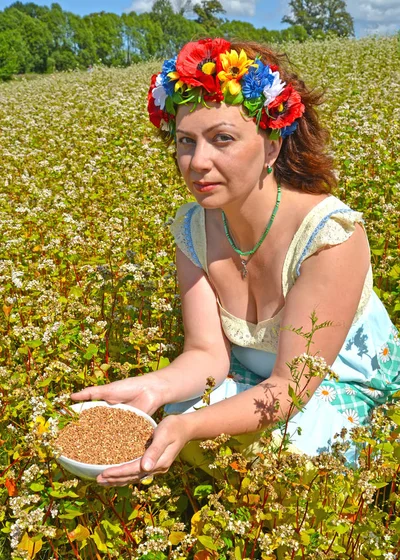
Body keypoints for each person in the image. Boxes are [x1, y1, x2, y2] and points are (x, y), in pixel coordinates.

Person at [71, 38, 400, 486]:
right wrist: (154, 388)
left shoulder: (329, 236)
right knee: (176, 408)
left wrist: (189, 428)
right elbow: (206, 353)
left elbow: (289, 388)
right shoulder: (194, 229)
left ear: (272, 146)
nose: (197, 162)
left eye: (222, 139)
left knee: (284, 456)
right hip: (260, 382)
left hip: (335, 389)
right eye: (186, 141)